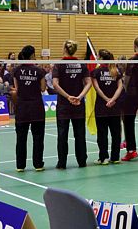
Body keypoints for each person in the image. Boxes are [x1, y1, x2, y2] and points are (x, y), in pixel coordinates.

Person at [52, 40, 91, 169]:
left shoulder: (59, 65)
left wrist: (68, 97)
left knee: (62, 135)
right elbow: (89, 83)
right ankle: (82, 161)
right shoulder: (81, 64)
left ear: (64, 49)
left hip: (64, 104)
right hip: (78, 104)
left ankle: (62, 163)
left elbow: (55, 84)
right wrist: (80, 96)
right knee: (80, 134)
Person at [12, 45, 46, 172]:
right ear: (32, 55)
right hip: (36, 107)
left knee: (21, 137)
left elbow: (17, 89)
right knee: (38, 137)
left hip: (22, 108)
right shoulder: (39, 71)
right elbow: (43, 89)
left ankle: (20, 166)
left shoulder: (16, 70)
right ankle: (38, 164)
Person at [91, 49, 124, 165]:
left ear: (100, 58)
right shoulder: (116, 71)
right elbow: (120, 87)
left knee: (102, 134)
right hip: (114, 106)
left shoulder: (96, 72)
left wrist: (107, 99)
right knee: (116, 133)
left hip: (102, 106)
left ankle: (103, 158)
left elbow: (97, 88)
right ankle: (115, 157)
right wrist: (113, 100)